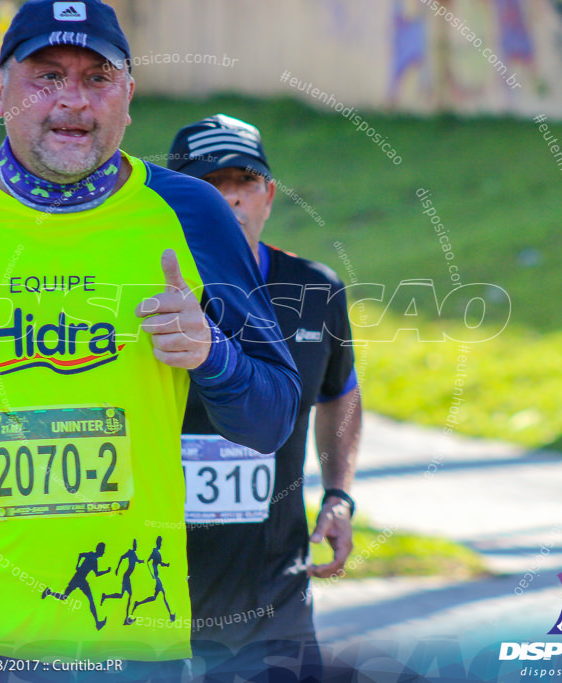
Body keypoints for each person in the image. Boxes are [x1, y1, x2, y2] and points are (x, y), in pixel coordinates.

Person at [0, 2, 301, 679]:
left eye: (97, 77)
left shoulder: (189, 213)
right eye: (46, 76)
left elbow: (275, 414)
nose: (72, 101)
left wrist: (212, 355)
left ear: (129, 97)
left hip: (130, 626)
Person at [168, 114, 363, 681]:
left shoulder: (314, 291)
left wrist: (339, 494)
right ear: (178, 198)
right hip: (148, 598)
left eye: (245, 182)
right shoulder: (134, 291)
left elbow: (340, 395)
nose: (231, 199)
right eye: (210, 185)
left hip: (273, 603)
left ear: (269, 195)